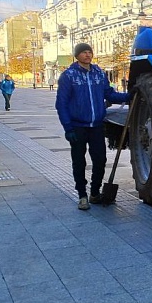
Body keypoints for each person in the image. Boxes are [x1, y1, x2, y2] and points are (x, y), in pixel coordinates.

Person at [56, 43, 129, 210]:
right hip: (77, 127)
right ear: (77, 55)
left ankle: (95, 193)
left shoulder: (98, 73)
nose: (87, 55)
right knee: (79, 161)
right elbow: (61, 103)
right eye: (83, 52)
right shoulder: (69, 76)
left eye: (89, 52)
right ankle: (82, 195)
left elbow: (109, 94)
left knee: (100, 160)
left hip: (96, 125)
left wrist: (129, 95)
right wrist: (68, 128)